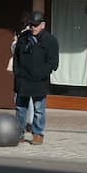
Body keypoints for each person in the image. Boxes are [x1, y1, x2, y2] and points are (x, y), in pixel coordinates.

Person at [13, 11, 58, 145]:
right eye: (31, 25)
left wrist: (41, 73)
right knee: (20, 109)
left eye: (36, 25)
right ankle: (19, 133)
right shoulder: (23, 37)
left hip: (39, 81)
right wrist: (17, 72)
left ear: (43, 25)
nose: (33, 27)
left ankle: (38, 134)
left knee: (39, 109)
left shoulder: (50, 40)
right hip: (23, 79)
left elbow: (53, 62)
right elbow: (16, 57)